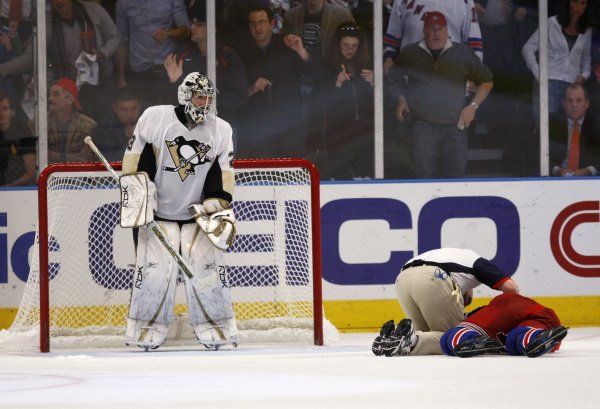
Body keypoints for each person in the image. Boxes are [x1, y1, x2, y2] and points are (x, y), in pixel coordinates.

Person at [121, 72, 237, 351]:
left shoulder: (221, 129)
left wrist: (216, 204)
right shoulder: (155, 118)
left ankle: (216, 327)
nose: (206, 103)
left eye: (210, 97)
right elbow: (135, 160)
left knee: (206, 270)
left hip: (196, 216)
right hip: (159, 215)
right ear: (186, 96)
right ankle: (146, 329)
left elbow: (224, 176)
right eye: (201, 96)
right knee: (155, 272)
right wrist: (140, 193)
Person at [389, 11, 493, 178]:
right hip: (422, 126)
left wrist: (472, 107)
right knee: (423, 177)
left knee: (455, 179)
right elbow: (393, 77)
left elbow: (487, 81)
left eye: (440, 29)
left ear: (447, 31)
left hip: (455, 127)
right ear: (424, 31)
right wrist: (401, 99)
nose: (436, 33)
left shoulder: (463, 53)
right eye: (432, 29)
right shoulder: (410, 52)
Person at [372, 247, 519, 357]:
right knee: (456, 337)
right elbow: (511, 289)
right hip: (434, 278)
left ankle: (393, 339)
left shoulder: (449, 257)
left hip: (402, 279)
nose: (462, 305)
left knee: (426, 334)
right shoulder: (476, 260)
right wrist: (501, 315)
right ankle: (411, 340)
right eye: (463, 302)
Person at [237, 5, 322, 159]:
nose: (257, 27)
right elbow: (233, 93)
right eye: (252, 23)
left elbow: (318, 73)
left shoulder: (288, 45)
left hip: (290, 124)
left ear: (272, 24)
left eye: (262, 22)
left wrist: (301, 51)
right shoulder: (242, 53)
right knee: (264, 177)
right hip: (259, 127)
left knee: (292, 176)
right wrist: (252, 89)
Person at [163, 6, 248, 139]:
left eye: (199, 24)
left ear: (213, 27)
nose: (192, 28)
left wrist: (208, 103)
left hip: (221, 127)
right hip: (190, 130)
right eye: (192, 23)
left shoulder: (227, 55)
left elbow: (240, 95)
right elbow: (171, 97)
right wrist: (175, 80)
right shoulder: (182, 55)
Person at [522, 0, 592, 119]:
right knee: (544, 127)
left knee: (565, 132)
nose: (578, 7)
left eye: (583, 3)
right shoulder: (552, 23)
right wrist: (539, 73)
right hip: (548, 82)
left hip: (572, 86)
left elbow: (586, 58)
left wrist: (584, 75)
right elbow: (528, 48)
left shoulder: (587, 31)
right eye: (575, 2)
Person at [440, 293, 568, 358]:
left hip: (507, 304)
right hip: (547, 318)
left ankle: (475, 339)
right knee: (516, 340)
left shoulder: (475, 314)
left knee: (449, 338)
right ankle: (537, 336)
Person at [115, 0, 190, 106]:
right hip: (139, 70)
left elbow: (186, 30)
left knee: (169, 111)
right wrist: (121, 77)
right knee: (144, 115)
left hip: (168, 69)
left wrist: (169, 33)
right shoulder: (124, 3)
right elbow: (121, 41)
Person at [324, 21, 373, 179]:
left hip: (364, 132)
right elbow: (321, 103)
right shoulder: (328, 67)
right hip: (338, 133)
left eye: (354, 45)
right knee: (339, 177)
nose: (350, 50)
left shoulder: (368, 66)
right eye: (345, 45)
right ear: (338, 45)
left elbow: (384, 102)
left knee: (365, 177)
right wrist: (337, 83)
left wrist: (375, 84)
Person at [383, 0, 483, 75]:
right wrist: (388, 58)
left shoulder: (464, 1)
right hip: (409, 74)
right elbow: (393, 35)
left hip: (449, 77)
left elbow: (473, 41)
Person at [550, 83, 599, 176]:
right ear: (563, 103)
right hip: (558, 179)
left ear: (587, 103)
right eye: (570, 101)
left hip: (589, 180)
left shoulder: (597, 123)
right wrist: (557, 170)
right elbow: (539, 155)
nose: (574, 105)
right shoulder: (551, 121)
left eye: (579, 100)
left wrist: (588, 170)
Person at [47, 77, 96, 163]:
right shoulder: (39, 124)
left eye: (55, 95)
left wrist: (53, 156)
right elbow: (36, 157)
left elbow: (87, 160)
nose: (50, 98)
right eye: (49, 94)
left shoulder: (87, 126)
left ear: (69, 99)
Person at [94, 86, 142, 162]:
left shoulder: (149, 121)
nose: (129, 114)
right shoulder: (104, 130)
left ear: (139, 107)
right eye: (124, 110)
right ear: (114, 108)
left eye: (133, 108)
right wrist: (131, 139)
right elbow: (110, 163)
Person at [0, 91, 36, 186]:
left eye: (5, 109)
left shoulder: (24, 132)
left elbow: (30, 173)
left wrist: (9, 188)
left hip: (20, 189)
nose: (1, 114)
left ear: (12, 111)